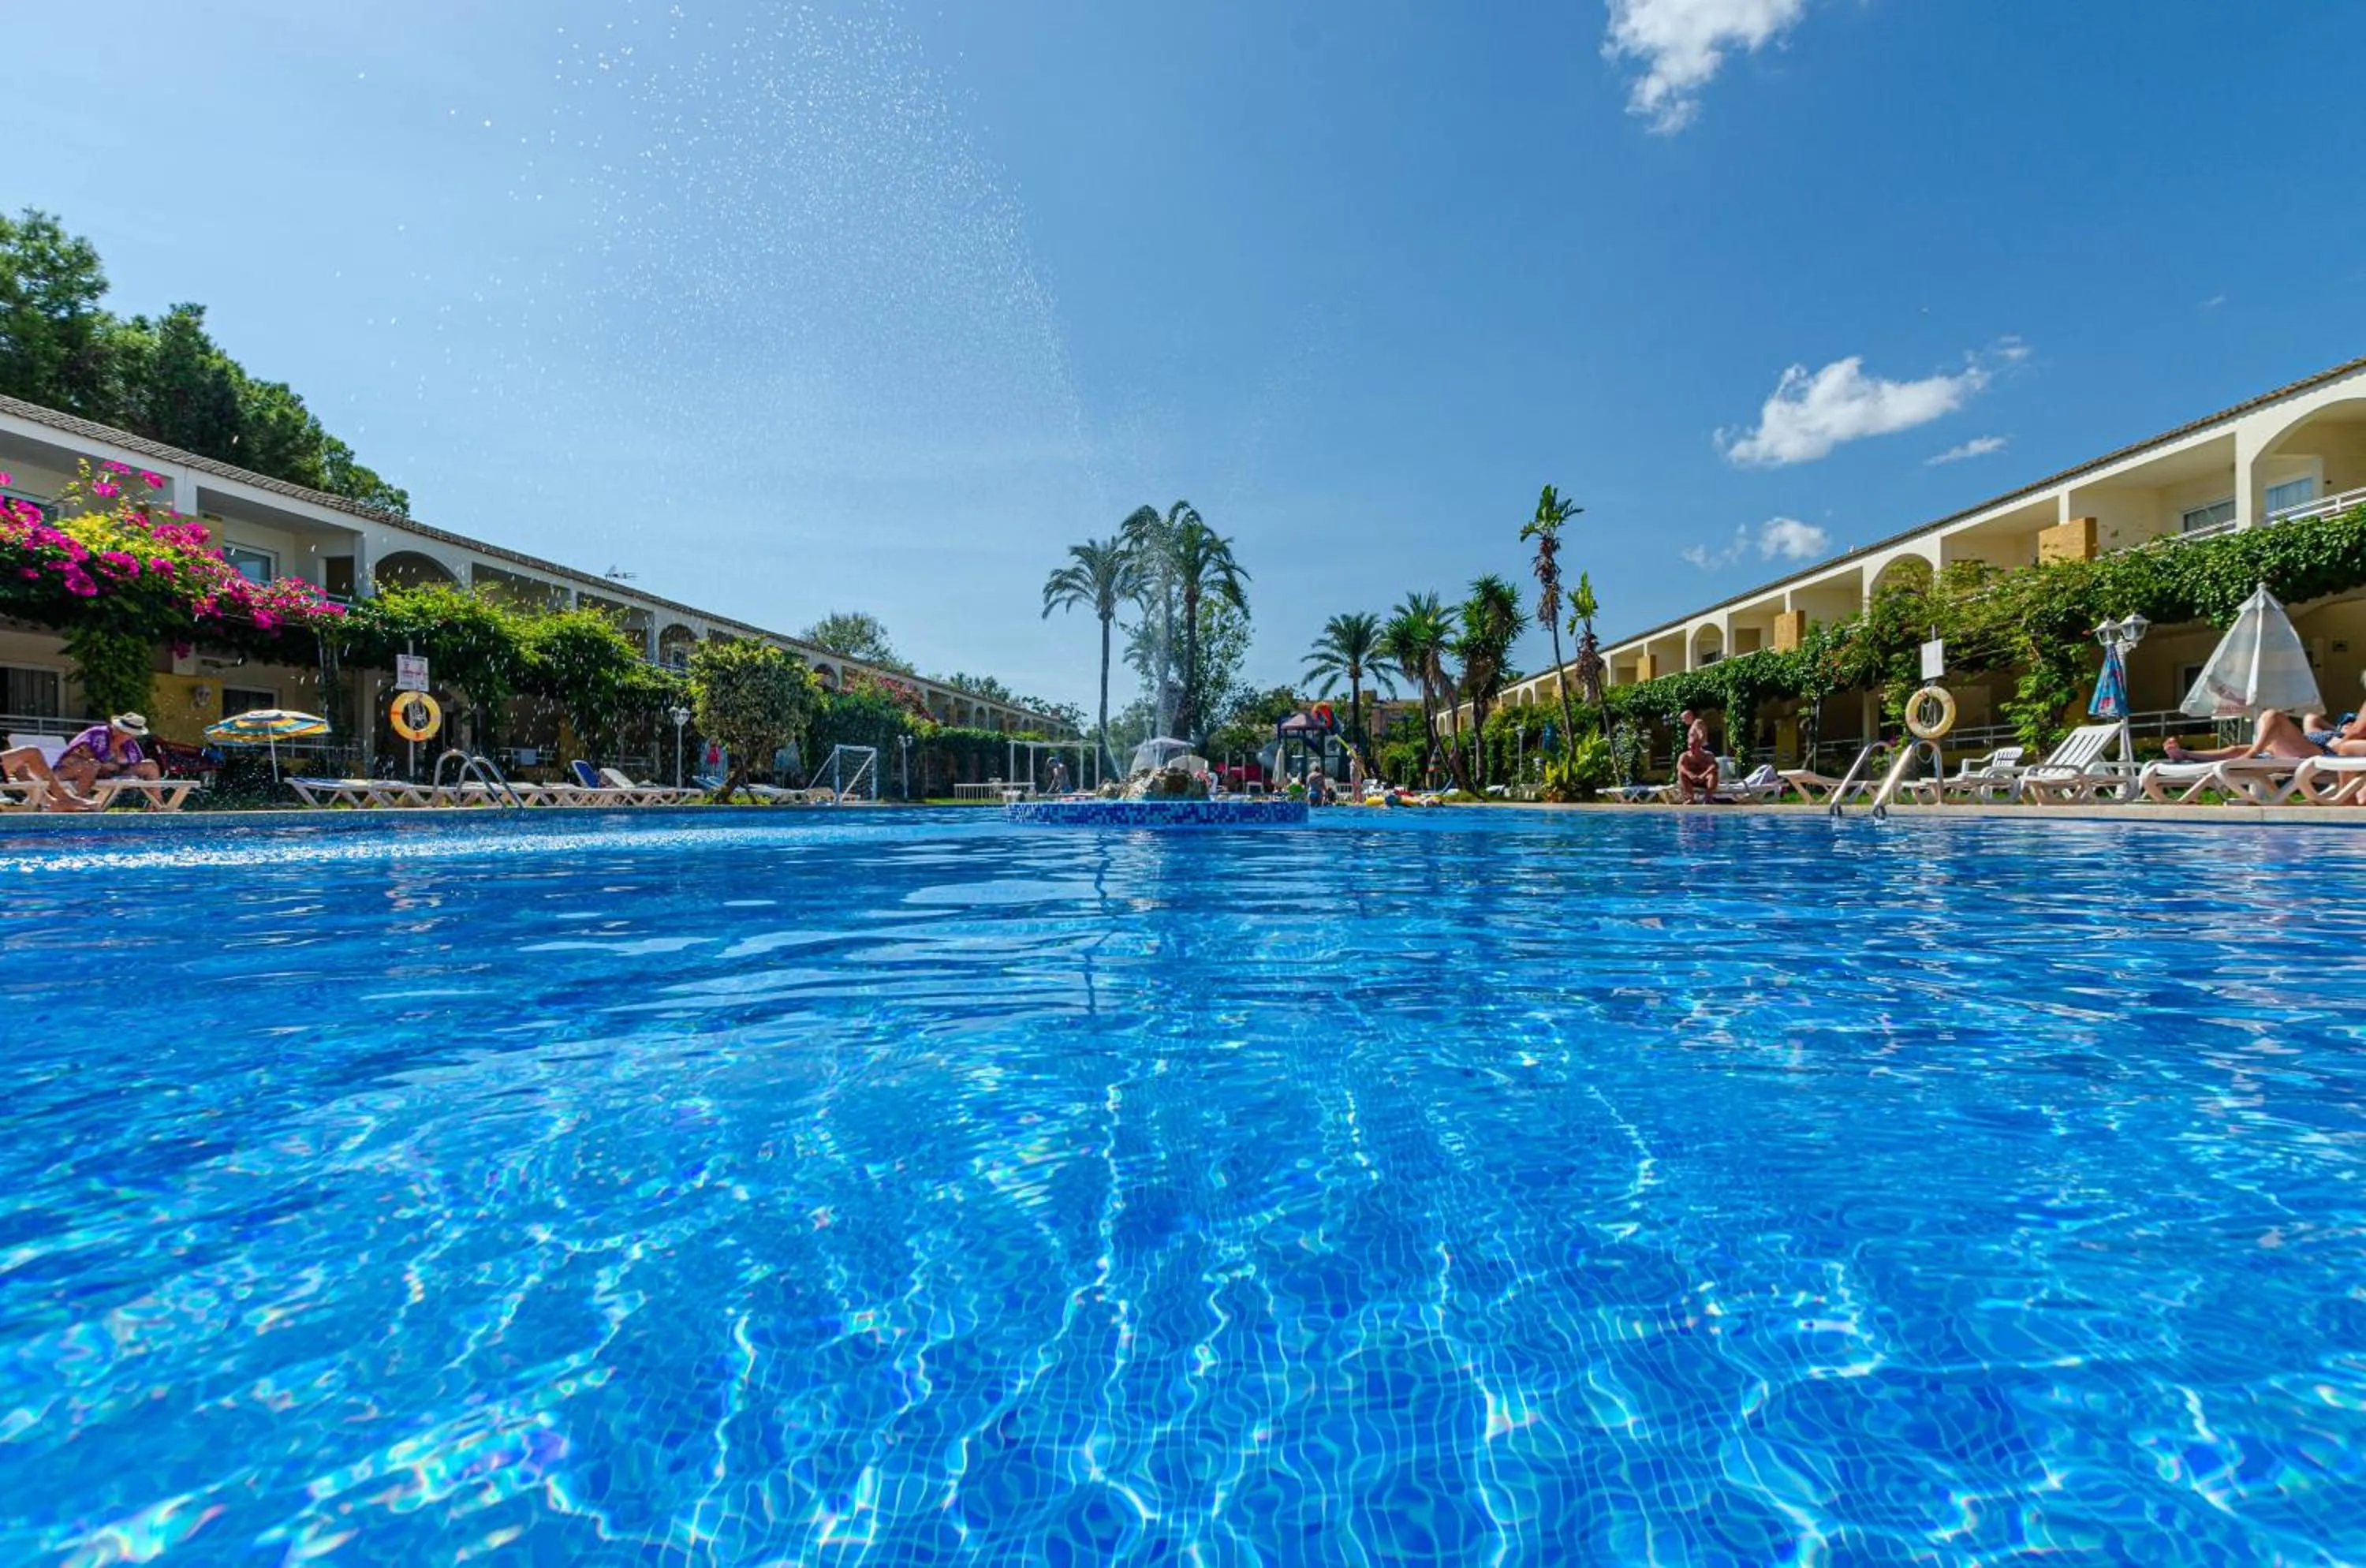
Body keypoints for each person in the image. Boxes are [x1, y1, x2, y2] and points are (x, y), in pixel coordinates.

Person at [6, 713, 159, 810]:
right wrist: (109, 764)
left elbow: (134, 762)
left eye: (133, 734)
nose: (131, 737)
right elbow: (78, 756)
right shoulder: (96, 734)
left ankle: (158, 805)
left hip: (109, 772)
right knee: (91, 765)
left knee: (150, 765)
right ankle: (78, 800)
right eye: (128, 733)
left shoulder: (128, 743)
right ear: (119, 729)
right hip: (71, 771)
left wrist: (115, 766)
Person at [2164, 707, 2366, 763]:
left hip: (2319, 755)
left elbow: (2342, 750)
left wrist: (2346, 733)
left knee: (2273, 716)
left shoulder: (2342, 741)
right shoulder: (2329, 732)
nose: (2350, 725)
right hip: (2292, 750)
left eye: (2353, 722)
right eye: (2347, 722)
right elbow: (2312, 717)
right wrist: (2337, 727)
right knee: (2234, 750)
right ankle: (2186, 755)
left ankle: (2253, 752)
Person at [1673, 710, 1719, 803]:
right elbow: (1680, 766)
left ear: (1689, 716)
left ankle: (1708, 798)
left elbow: (1702, 734)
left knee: (1712, 773)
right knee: (1681, 772)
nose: (1683, 721)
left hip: (1700, 748)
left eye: (1683, 718)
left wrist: (1697, 746)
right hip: (1696, 748)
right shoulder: (1686, 755)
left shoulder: (1697, 723)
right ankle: (1690, 798)